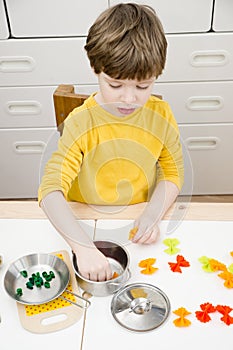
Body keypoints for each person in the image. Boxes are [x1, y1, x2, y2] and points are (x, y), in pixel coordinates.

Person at [38, 3, 184, 282]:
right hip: (84, 221)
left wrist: (154, 213)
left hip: (137, 219)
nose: (129, 99)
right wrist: (82, 248)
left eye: (143, 86)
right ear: (95, 69)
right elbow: (50, 189)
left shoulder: (161, 116)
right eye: (115, 84)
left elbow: (172, 169)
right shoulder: (81, 122)